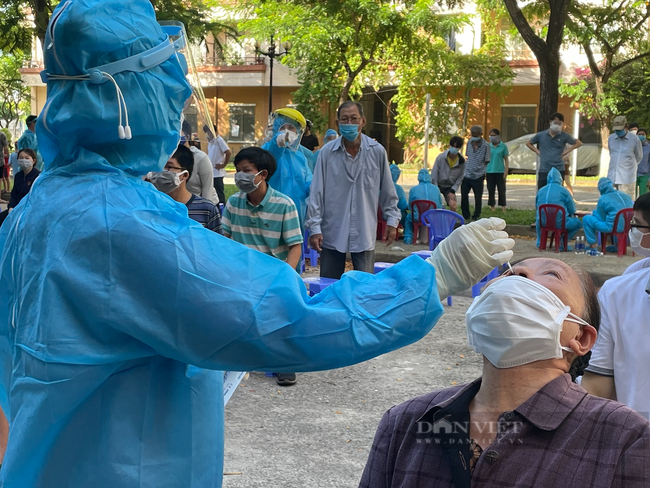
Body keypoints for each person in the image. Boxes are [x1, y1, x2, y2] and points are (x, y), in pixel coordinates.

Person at [0, 1, 515, 486]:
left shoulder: (34, 211)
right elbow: (282, 320)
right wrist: (429, 278)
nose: (180, 95)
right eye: (164, 80)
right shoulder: (121, 226)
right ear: (119, 95)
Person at [360, 257, 650, 488]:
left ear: (582, 338)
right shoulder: (404, 422)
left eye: (552, 274)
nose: (519, 272)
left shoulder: (625, 440)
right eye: (509, 271)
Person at [222, 147, 303, 386]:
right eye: (237, 171)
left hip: (274, 273)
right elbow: (225, 238)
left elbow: (295, 247)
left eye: (246, 171)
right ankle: (238, 360)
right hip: (241, 272)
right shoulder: (234, 203)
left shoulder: (284, 204)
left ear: (263, 174)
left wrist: (285, 275)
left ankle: (284, 364)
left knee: (279, 318)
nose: (240, 176)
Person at [306, 101, 400, 278]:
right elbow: (316, 192)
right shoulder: (327, 153)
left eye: (354, 119)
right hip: (332, 230)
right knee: (330, 287)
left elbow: (388, 189)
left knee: (364, 288)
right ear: (337, 124)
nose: (349, 124)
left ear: (363, 121)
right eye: (344, 119)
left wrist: (392, 220)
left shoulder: (377, 151)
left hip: (364, 229)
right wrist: (315, 227)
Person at [582, 192, 650, 415]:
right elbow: (599, 380)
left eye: (637, 226)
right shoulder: (620, 290)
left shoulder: (619, 291)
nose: (633, 232)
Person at [149, 144, 222, 234]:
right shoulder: (150, 206)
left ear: (185, 175)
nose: (161, 172)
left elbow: (217, 244)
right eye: (159, 167)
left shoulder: (207, 210)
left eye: (168, 167)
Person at [262, 108, 312, 233]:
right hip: (271, 210)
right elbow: (269, 160)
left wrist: (315, 188)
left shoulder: (300, 157)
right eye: (283, 126)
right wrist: (277, 143)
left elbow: (308, 181)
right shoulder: (266, 150)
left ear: (298, 133)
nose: (287, 131)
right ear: (275, 128)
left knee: (294, 247)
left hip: (296, 212)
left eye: (292, 127)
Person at [526, 112, 582, 190]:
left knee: (557, 191)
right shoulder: (541, 135)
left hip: (558, 169)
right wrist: (537, 151)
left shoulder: (564, 135)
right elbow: (529, 143)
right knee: (542, 190)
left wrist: (567, 151)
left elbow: (578, 143)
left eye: (559, 123)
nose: (557, 125)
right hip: (544, 169)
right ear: (550, 122)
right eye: (555, 123)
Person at [535, 167, 582, 250]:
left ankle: (540, 242)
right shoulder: (564, 191)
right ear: (560, 179)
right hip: (560, 223)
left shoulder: (541, 190)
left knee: (538, 218)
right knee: (578, 223)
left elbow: (537, 207)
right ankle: (562, 242)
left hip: (542, 222)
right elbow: (572, 209)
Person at [582, 177, 634, 250]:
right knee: (618, 219)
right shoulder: (625, 195)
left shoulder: (603, 198)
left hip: (612, 228)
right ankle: (617, 245)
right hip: (628, 227)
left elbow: (601, 217)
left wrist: (594, 213)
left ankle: (592, 245)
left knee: (586, 219)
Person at [404, 168, 444, 245]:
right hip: (432, 218)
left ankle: (409, 238)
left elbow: (410, 207)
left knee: (408, 218)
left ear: (418, 177)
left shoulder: (413, 189)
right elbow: (439, 206)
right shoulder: (436, 189)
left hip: (417, 218)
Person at [607, 115, 643, 199]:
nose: (618, 132)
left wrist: (629, 167)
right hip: (612, 177)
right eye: (616, 130)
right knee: (612, 203)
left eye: (619, 130)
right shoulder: (611, 138)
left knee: (627, 204)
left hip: (627, 179)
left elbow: (639, 156)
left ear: (626, 127)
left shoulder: (634, 139)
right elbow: (611, 154)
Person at [460, 125, 491, 222]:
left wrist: (481, 169)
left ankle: (476, 215)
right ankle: (466, 214)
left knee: (478, 197)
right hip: (467, 173)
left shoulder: (486, 145)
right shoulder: (469, 143)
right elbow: (468, 156)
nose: (474, 137)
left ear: (481, 135)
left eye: (476, 135)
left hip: (478, 175)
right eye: (472, 135)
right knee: (464, 194)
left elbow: (487, 160)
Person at [431, 135, 465, 213]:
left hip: (450, 186)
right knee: (434, 204)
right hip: (438, 184)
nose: (454, 149)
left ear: (459, 148)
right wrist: (435, 188)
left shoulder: (461, 161)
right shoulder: (441, 157)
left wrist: (453, 190)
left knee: (453, 205)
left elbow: (460, 177)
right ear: (449, 146)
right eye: (452, 146)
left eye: (456, 148)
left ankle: (452, 222)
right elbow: (434, 173)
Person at [183, 137, 219, 205]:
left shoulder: (200, 157)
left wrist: (204, 207)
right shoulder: (168, 156)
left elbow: (207, 188)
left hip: (204, 202)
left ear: (187, 136)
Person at [204, 126, 231, 206]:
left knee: (219, 193)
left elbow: (228, 152)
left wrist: (223, 165)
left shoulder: (219, 140)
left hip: (217, 173)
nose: (207, 134)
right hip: (211, 171)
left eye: (208, 132)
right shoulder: (211, 141)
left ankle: (222, 208)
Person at [486, 128, 508, 212]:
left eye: (494, 135)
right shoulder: (488, 146)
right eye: (491, 136)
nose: (492, 137)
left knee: (501, 190)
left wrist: (506, 170)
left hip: (500, 171)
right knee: (491, 190)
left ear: (498, 136)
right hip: (489, 171)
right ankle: (492, 207)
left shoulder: (503, 146)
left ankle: (503, 207)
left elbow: (506, 159)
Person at [390, 163, 409, 229]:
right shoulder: (398, 188)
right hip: (393, 215)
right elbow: (402, 205)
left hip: (379, 215)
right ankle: (408, 234)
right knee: (408, 214)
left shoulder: (380, 186)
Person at [636, 127, 650, 198]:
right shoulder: (634, 146)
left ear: (646, 136)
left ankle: (643, 209)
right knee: (631, 196)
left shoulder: (649, 147)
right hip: (633, 175)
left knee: (644, 197)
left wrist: (649, 179)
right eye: (639, 134)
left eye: (643, 134)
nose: (641, 136)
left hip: (644, 175)